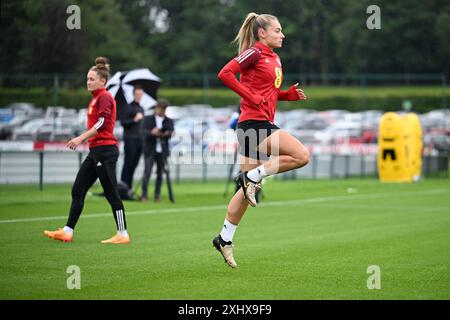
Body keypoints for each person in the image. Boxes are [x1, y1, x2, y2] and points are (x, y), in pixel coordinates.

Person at [212, 13, 309, 268]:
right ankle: (253, 177)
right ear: (262, 33)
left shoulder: (274, 57)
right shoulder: (254, 52)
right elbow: (225, 73)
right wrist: (249, 96)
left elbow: (268, 93)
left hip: (256, 124)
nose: (282, 34)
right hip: (253, 124)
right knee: (301, 156)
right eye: (277, 30)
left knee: (245, 194)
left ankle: (224, 239)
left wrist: (286, 96)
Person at [44, 57, 131, 244]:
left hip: (106, 151)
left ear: (102, 81)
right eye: (87, 78)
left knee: (111, 194)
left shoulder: (105, 97)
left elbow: (102, 123)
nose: (88, 82)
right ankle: (67, 231)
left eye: (92, 79)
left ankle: (123, 234)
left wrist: (80, 138)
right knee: (78, 189)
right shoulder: (96, 99)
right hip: (96, 151)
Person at [141, 99, 174, 202]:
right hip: (150, 149)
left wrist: (166, 134)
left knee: (160, 174)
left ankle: (157, 195)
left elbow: (171, 132)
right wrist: (152, 132)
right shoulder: (148, 119)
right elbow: (142, 131)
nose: (162, 111)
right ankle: (144, 195)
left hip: (162, 151)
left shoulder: (168, 120)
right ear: (157, 108)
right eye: (161, 109)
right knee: (147, 173)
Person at [120, 86, 145, 190]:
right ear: (134, 94)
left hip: (140, 140)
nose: (139, 96)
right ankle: (123, 188)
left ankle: (128, 188)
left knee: (134, 164)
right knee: (128, 164)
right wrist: (134, 119)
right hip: (130, 139)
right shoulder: (128, 107)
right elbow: (123, 123)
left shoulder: (141, 108)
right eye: (138, 94)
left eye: (141, 94)